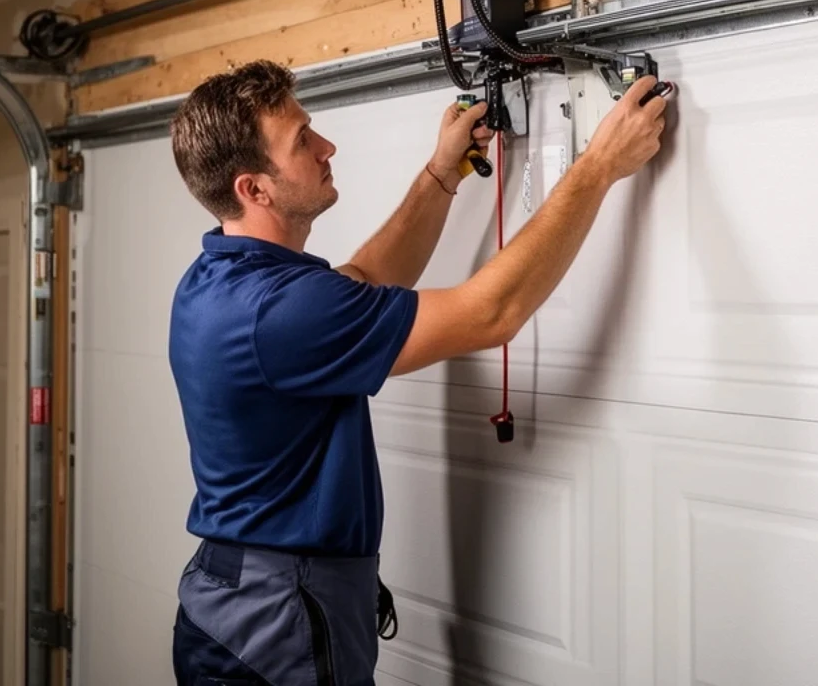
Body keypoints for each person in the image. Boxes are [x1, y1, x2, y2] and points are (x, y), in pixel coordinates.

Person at [167, 59, 668, 686]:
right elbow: (493, 313)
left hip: (239, 598)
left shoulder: (223, 279)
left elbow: (364, 281)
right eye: (302, 142)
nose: (327, 147)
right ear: (254, 188)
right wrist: (598, 168)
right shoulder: (278, 310)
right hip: (276, 621)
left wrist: (442, 173)